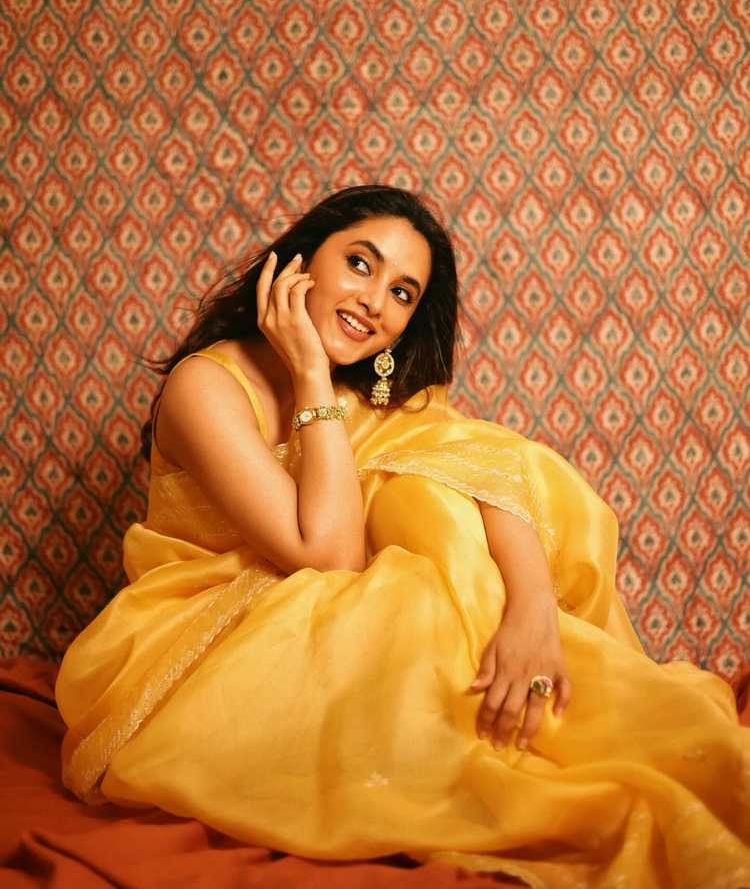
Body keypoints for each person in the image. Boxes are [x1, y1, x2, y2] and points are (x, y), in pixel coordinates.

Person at [56, 185, 749, 888]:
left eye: (401, 293)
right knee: (410, 585)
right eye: (360, 264)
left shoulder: (375, 399)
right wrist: (309, 373)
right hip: (212, 638)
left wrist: (532, 614)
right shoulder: (206, 386)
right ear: (301, 261)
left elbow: (496, 474)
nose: (374, 302)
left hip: (342, 623)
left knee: (430, 497)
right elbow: (329, 557)